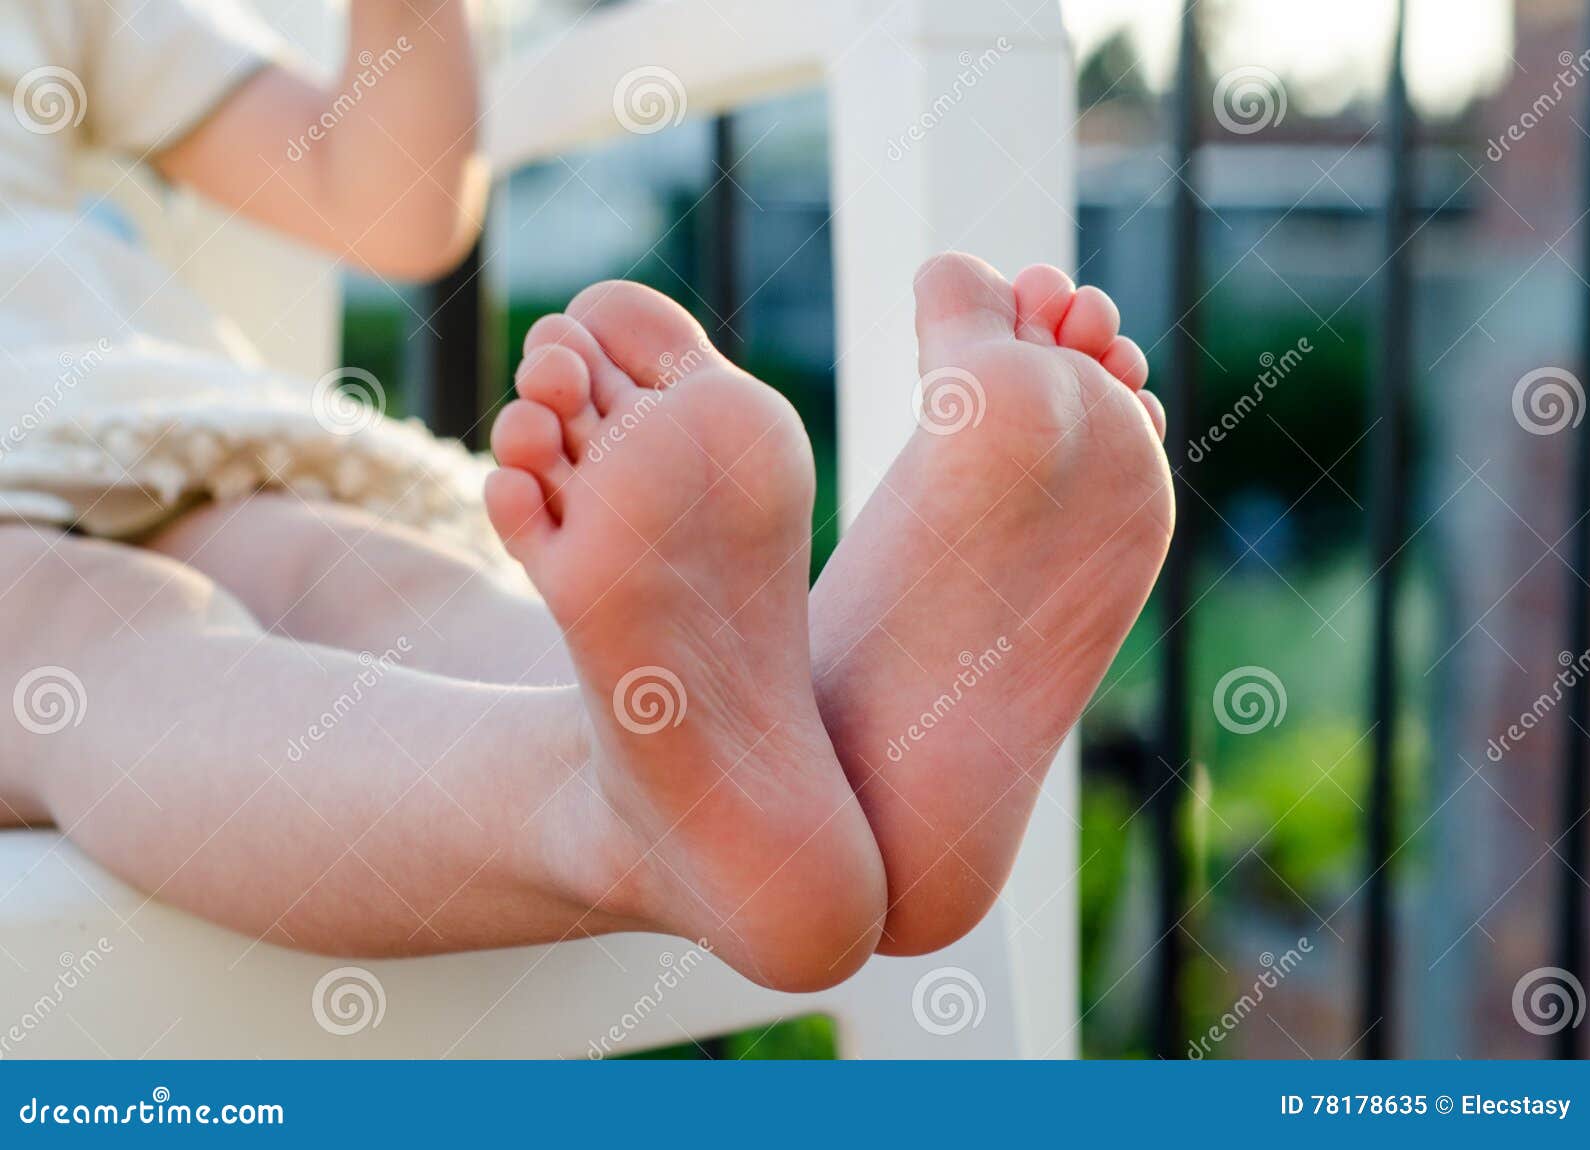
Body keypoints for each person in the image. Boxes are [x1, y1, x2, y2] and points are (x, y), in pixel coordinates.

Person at [0, 0, 1172, 992]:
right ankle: (615, 803)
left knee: (352, 572)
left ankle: (806, 754)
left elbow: (388, 199)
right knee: (91, 630)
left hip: (127, 422)